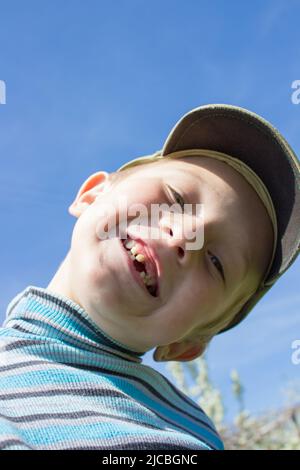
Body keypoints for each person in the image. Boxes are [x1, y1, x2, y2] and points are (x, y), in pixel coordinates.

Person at [0, 104, 299, 450]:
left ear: (187, 345)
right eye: (176, 198)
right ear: (92, 194)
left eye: (216, 262)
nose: (187, 235)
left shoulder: (191, 434)